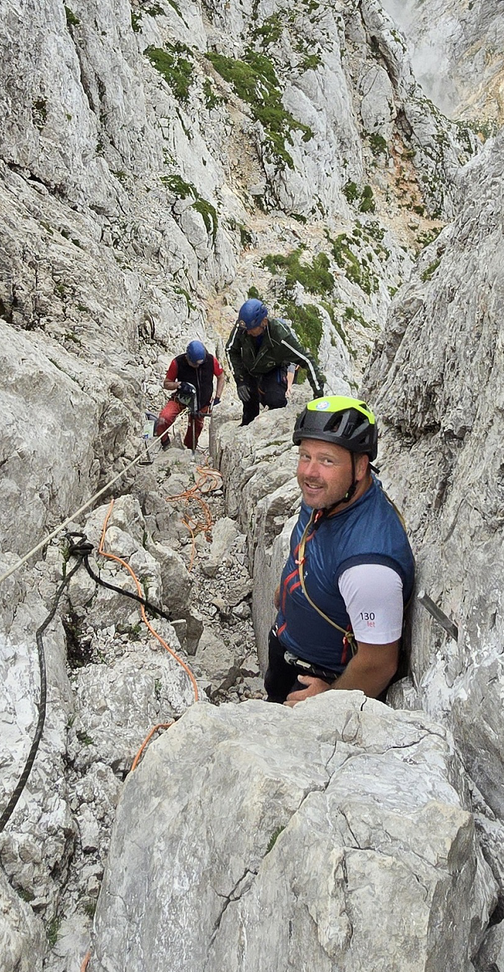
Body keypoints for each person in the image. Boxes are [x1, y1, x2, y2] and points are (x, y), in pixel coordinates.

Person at [265, 395, 414, 705]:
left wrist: (327, 702)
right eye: (305, 455)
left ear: (360, 467)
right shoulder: (330, 497)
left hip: (320, 681)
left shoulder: (370, 566)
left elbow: (378, 664)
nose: (309, 472)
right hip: (286, 645)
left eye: (327, 460)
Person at [226, 298, 324, 426]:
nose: (248, 332)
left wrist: (318, 395)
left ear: (264, 322)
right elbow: (230, 350)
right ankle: (248, 423)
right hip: (249, 368)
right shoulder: (242, 327)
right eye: (246, 329)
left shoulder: (280, 335)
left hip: (273, 368)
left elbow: (306, 360)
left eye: (252, 329)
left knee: (276, 400)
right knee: (248, 402)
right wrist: (240, 380)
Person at [155, 340, 225, 452]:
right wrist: (179, 385)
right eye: (194, 364)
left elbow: (221, 377)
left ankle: (190, 449)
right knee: (164, 418)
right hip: (182, 399)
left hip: (201, 402)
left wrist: (217, 397)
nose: (197, 366)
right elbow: (167, 383)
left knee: (195, 429)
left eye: (199, 364)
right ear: (187, 357)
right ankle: (165, 442)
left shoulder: (211, 361)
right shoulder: (177, 363)